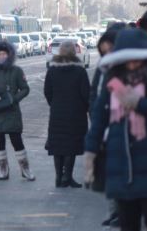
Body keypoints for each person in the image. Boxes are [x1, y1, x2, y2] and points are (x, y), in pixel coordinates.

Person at [85, 29, 147, 231]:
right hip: (121, 167)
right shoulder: (113, 86)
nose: (133, 64)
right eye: (128, 60)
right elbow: (99, 121)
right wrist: (90, 154)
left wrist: (140, 103)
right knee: (128, 224)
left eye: (137, 59)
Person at [0, 40, 34, 181]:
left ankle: (25, 168)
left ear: (9, 55)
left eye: (4, 54)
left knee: (16, 140)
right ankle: (3, 169)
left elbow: (25, 88)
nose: (2, 56)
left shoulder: (16, 71)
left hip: (12, 111)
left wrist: (14, 99)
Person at [89, 23, 125, 227]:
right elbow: (95, 93)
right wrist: (95, 114)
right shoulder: (102, 67)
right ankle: (113, 211)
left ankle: (123, 212)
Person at [44, 40, 90, 188]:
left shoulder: (52, 70)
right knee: (72, 145)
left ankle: (59, 177)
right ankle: (67, 177)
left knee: (58, 145)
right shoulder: (80, 71)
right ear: (74, 52)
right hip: (76, 114)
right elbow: (86, 93)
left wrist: (55, 104)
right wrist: (86, 108)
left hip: (57, 113)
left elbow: (47, 92)